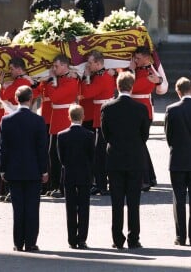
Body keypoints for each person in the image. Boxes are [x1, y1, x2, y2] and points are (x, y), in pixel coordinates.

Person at [101, 71, 150, 249]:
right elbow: (145, 134)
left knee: (117, 202)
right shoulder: (141, 108)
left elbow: (106, 134)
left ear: (117, 86)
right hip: (135, 157)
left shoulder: (107, 108)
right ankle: (134, 238)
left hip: (115, 158)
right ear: (132, 86)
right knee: (133, 201)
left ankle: (117, 238)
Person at [0, 85, 49, 252]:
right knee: (32, 208)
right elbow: (42, 148)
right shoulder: (38, 120)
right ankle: (31, 242)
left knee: (18, 208)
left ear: (15, 98)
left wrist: (2, 169)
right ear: (31, 99)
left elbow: (2, 148)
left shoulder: (6, 120)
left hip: (13, 170)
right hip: (33, 170)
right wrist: (44, 170)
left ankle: (18, 243)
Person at [164, 77, 191, 246]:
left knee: (179, 199)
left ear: (178, 91)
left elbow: (169, 136)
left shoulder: (171, 110)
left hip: (177, 159)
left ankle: (180, 236)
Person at [57, 104, 95, 249]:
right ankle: (82, 239)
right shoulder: (89, 135)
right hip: (84, 174)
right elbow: (92, 156)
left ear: (69, 117)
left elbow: (61, 158)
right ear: (83, 117)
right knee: (84, 207)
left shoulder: (62, 135)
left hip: (69, 174)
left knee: (70, 208)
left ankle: (72, 239)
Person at [79, 50, 115, 196]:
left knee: (100, 153)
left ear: (99, 63)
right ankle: (101, 183)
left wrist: (86, 76)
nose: (88, 65)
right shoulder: (102, 75)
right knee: (100, 152)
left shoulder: (102, 77)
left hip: (102, 115)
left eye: (90, 63)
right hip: (99, 114)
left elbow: (87, 93)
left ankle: (102, 185)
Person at [44, 54, 79, 198]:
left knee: (62, 156)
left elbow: (54, 96)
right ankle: (55, 184)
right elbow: (45, 92)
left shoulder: (71, 80)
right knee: (53, 154)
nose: (54, 69)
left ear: (65, 66)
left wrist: (51, 80)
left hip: (64, 119)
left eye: (57, 66)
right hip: (55, 119)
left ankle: (62, 186)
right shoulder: (59, 79)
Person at [129, 46, 164, 190]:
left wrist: (130, 71)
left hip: (143, 112)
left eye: (138, 58)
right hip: (135, 110)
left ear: (146, 58)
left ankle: (145, 179)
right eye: (134, 58)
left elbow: (132, 87)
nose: (135, 61)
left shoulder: (150, 71)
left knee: (139, 145)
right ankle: (150, 176)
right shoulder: (139, 69)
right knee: (141, 145)